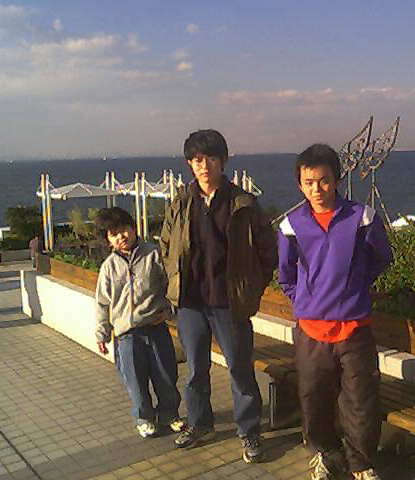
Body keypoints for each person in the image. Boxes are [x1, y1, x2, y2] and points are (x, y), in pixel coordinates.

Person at [160, 129, 277, 463]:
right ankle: (200, 424)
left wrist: (251, 288)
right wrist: (174, 281)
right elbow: (166, 245)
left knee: (240, 370)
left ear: (223, 161)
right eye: (197, 159)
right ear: (189, 164)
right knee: (196, 370)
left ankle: (249, 430)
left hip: (229, 303)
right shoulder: (181, 202)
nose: (204, 165)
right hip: (191, 302)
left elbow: (268, 252)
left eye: (211, 158)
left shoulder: (244, 203)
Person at [277, 144, 393, 480]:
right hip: (311, 330)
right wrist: (305, 299)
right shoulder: (291, 225)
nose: (317, 189)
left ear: (337, 179)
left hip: (354, 327)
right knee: (314, 398)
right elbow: (285, 274)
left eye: (324, 180)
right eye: (309, 182)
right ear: (300, 184)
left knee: (360, 398)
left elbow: (381, 257)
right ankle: (327, 454)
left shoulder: (362, 217)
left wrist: (355, 286)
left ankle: (361, 462)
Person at [94, 207, 184, 438]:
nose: (121, 236)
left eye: (124, 229)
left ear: (133, 228)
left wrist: (170, 309)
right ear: (108, 240)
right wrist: (101, 334)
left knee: (166, 376)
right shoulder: (108, 267)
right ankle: (144, 418)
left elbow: (173, 285)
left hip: (156, 328)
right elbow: (102, 303)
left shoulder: (153, 254)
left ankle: (169, 415)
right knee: (135, 381)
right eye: (114, 234)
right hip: (127, 335)